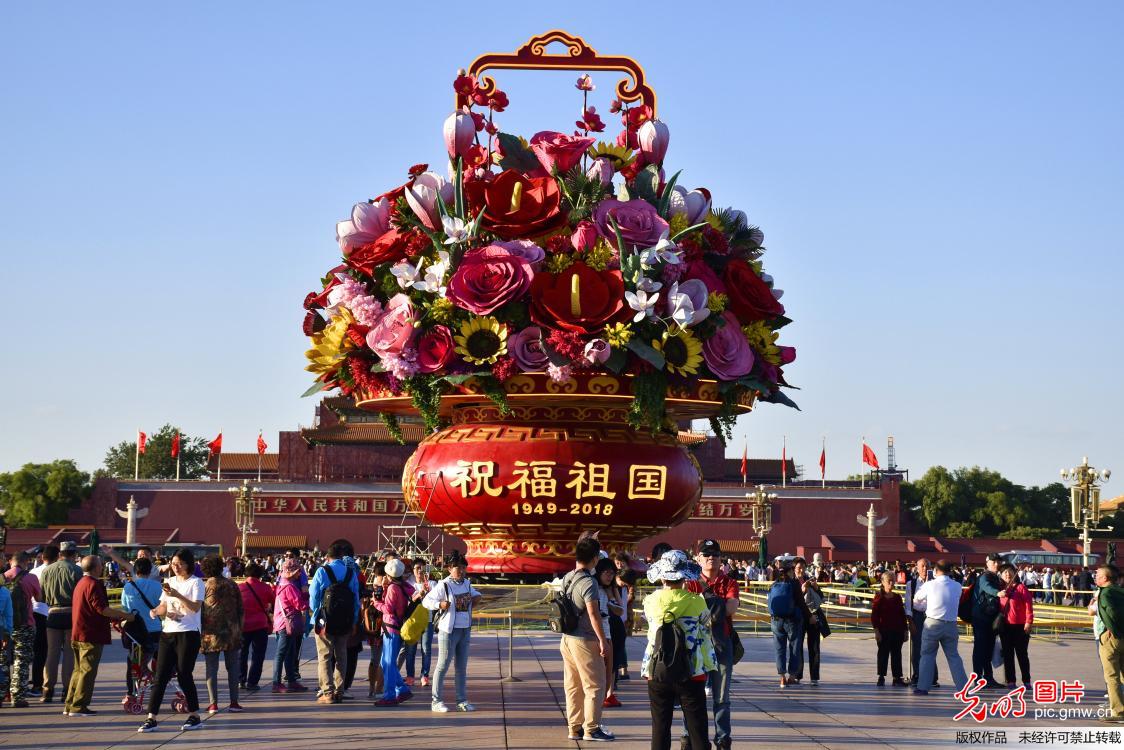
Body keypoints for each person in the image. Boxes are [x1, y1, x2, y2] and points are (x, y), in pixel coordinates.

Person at [642, 550, 715, 750]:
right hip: (692, 670)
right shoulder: (696, 601)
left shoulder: (650, 601)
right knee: (697, 726)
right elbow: (707, 624)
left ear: (662, 576)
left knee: (660, 726)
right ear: (684, 577)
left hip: (657, 668)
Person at [137, 548, 205, 733]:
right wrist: (154, 611)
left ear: (188, 564)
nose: (175, 567)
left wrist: (177, 595)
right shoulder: (169, 581)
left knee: (184, 674)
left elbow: (194, 608)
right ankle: (151, 718)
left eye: (179, 564)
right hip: (168, 632)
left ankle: (195, 715)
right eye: (173, 563)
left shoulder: (196, 583)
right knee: (160, 677)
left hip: (188, 633)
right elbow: (164, 605)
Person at [64, 555, 136, 716]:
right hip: (91, 633)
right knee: (88, 671)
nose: (102, 567)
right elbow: (102, 609)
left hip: (78, 631)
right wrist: (125, 616)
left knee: (78, 670)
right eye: (101, 565)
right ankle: (79, 705)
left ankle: (70, 704)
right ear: (96, 568)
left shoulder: (81, 583)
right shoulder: (94, 584)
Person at [686, 539, 739, 749]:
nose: (711, 558)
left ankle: (723, 739)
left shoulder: (729, 583)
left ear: (721, 558)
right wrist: (718, 603)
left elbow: (731, 608)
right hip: (694, 645)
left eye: (715, 555)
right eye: (706, 555)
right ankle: (690, 737)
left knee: (722, 698)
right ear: (698, 558)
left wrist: (701, 606)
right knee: (692, 696)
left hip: (721, 645)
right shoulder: (689, 582)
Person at [559, 535, 613, 742]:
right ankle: (591, 728)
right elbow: (593, 614)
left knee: (572, 685)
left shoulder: (568, 577)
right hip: (585, 639)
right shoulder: (589, 582)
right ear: (595, 559)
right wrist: (602, 640)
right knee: (595, 685)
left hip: (567, 638)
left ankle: (574, 728)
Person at [423, 550, 481, 713]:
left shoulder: (467, 584)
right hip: (448, 631)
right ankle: (436, 701)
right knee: (443, 665)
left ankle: (461, 701)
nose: (461, 571)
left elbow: (476, 595)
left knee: (461, 667)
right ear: (449, 569)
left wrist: (476, 598)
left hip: (464, 630)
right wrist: (439, 605)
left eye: (463, 567)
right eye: (457, 567)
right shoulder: (444, 585)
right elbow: (426, 601)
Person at [310, 540, 360, 704]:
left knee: (324, 656)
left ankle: (327, 692)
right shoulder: (350, 573)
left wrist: (317, 614)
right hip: (345, 621)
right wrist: (353, 621)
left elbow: (314, 598)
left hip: (324, 621)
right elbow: (355, 600)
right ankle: (339, 691)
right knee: (342, 656)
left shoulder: (321, 571)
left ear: (328, 556)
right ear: (341, 556)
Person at [912, 559, 969, 695]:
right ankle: (963, 688)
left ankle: (923, 687)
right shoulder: (957, 586)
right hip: (951, 625)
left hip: (932, 623)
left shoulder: (930, 585)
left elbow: (916, 599)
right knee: (954, 657)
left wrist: (925, 604)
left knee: (927, 655)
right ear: (950, 571)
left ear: (936, 571)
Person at [38, 540, 82, 704]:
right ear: (74, 554)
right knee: (70, 653)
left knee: (52, 653)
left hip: (53, 613)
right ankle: (66, 689)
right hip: (71, 614)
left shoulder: (47, 571)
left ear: (60, 554)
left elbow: (41, 596)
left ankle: (47, 689)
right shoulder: (77, 570)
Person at [200, 554, 244, 714]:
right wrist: (239, 628)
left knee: (211, 668)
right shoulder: (232, 584)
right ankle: (234, 702)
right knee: (232, 668)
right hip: (231, 632)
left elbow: (200, 610)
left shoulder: (204, 587)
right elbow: (241, 610)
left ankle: (213, 704)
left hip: (210, 634)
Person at [119, 557, 163, 700]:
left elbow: (125, 608)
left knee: (134, 664)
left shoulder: (128, 587)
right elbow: (162, 608)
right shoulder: (158, 586)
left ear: (135, 570)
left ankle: (131, 693)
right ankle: (157, 685)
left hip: (136, 634)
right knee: (160, 661)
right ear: (150, 570)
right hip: (156, 631)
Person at [5, 551, 42, 707]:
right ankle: (18, 697)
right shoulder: (31, 577)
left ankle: (2, 694)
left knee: (2, 661)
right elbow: (39, 599)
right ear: (26, 562)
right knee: (22, 660)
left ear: (11, 561)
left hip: (4, 626)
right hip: (25, 624)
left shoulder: (3, 577)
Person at [769, 564, 811, 688]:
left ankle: (782, 677)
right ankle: (792, 677)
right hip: (791, 620)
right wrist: (810, 616)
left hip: (776, 621)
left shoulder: (773, 585)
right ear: (790, 572)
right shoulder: (794, 584)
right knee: (794, 647)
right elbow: (801, 603)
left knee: (779, 648)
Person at [1093, 564, 1124, 723]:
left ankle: (1118, 712)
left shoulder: (1105, 594)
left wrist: (1112, 628)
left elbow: (1111, 612)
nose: (1095, 577)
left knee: (1112, 676)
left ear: (1105, 578)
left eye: (1097, 575)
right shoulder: (1120, 590)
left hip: (1112, 637)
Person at [271, 561, 308, 693]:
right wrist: (308, 599)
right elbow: (300, 605)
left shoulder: (283, 584)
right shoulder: (289, 587)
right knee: (281, 653)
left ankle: (291, 680)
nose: (300, 574)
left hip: (284, 623)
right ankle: (276, 682)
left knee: (290, 653)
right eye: (298, 571)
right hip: (286, 624)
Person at [971, 553, 1006, 689]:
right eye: (993, 561)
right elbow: (986, 587)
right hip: (981, 618)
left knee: (988, 649)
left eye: (998, 561)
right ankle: (978, 678)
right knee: (980, 648)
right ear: (987, 563)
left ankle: (988, 678)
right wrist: (997, 592)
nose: (996, 564)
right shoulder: (985, 576)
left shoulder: (996, 577)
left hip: (990, 618)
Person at [238, 562, 273, 694]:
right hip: (260, 625)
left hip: (243, 625)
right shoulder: (265, 587)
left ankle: (241, 679)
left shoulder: (239, 588)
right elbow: (272, 601)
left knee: (241, 653)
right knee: (258, 655)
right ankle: (252, 682)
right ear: (260, 574)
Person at [595, 557, 625, 709]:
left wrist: (611, 600)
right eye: (606, 572)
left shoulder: (611, 589)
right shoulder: (592, 587)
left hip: (612, 629)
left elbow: (620, 610)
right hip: (598, 633)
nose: (609, 576)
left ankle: (609, 693)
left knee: (611, 666)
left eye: (612, 573)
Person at [870, 571, 908, 687]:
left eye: (893, 580)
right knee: (883, 654)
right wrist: (877, 631)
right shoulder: (879, 597)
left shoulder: (897, 597)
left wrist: (905, 630)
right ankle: (881, 677)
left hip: (897, 631)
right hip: (883, 631)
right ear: (883, 582)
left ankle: (897, 678)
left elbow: (902, 615)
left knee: (897, 654)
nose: (891, 583)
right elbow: (874, 616)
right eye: (889, 581)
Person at [905, 558, 938, 687]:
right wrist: (910, 621)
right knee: (917, 647)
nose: (924, 569)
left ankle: (932, 677)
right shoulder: (911, 584)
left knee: (931, 647)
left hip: (932, 617)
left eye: (927, 566)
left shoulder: (935, 583)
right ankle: (917, 675)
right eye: (922, 566)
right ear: (917, 569)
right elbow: (908, 604)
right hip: (917, 617)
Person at [793, 556, 824, 687]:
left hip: (812, 617)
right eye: (799, 568)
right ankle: (798, 675)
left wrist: (816, 588)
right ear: (793, 569)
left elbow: (821, 597)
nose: (801, 570)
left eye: (803, 567)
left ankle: (814, 677)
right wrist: (802, 590)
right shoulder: (791, 581)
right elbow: (791, 600)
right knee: (798, 647)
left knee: (814, 647)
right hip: (799, 617)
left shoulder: (809, 579)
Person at [404, 560, 434, 688]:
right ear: (413, 570)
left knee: (426, 649)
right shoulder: (408, 584)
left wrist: (427, 591)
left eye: (423, 568)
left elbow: (437, 599)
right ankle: (410, 676)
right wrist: (418, 595)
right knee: (410, 650)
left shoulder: (432, 584)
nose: (420, 570)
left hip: (427, 620)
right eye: (417, 568)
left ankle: (425, 676)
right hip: (413, 621)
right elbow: (406, 603)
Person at [29, 548, 51, 697]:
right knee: (46, 652)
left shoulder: (33, 572)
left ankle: (36, 683)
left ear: (42, 557)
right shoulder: (57, 571)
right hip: (49, 612)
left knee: (37, 652)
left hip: (33, 612)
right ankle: (43, 682)